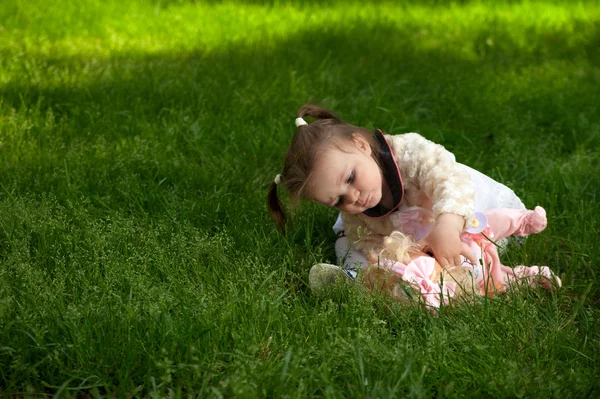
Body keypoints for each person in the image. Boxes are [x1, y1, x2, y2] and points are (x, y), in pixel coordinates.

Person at [267, 104, 556, 292]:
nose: (353, 199)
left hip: (456, 213)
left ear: (361, 145)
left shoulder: (410, 154)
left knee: (465, 253)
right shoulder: (355, 211)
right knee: (348, 243)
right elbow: (365, 237)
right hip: (409, 236)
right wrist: (395, 256)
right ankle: (364, 281)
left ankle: (498, 279)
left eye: (351, 178)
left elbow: (449, 181)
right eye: (337, 201)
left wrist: (448, 225)